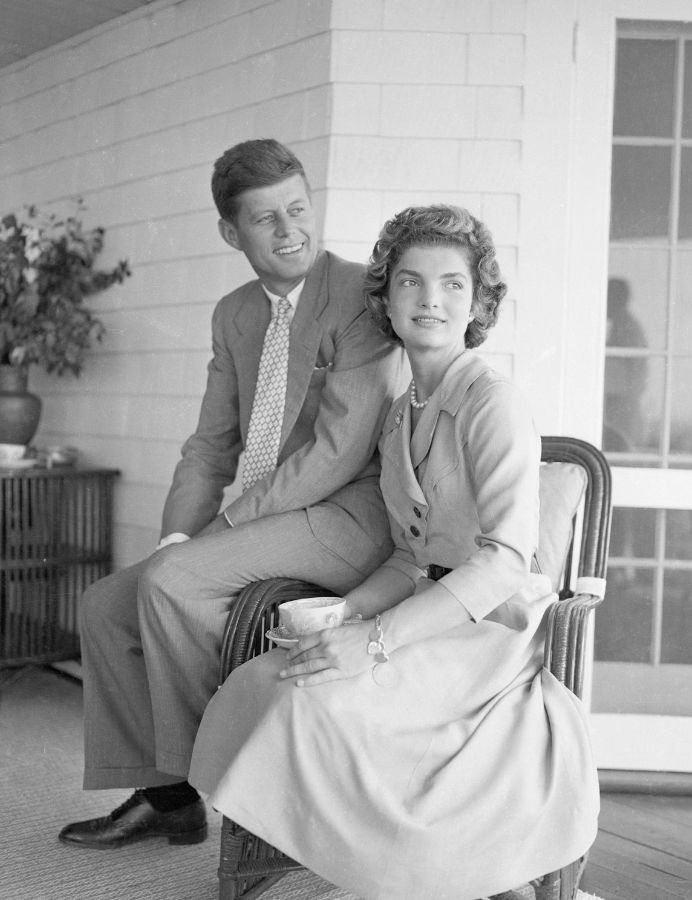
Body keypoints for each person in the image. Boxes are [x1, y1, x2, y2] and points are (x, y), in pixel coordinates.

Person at [188, 205, 600, 900]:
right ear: (384, 298)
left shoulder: (491, 402)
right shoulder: (403, 412)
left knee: (317, 702)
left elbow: (504, 561)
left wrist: (373, 641)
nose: (429, 300)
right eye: (409, 283)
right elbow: (412, 560)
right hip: (421, 611)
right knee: (269, 679)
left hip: (490, 632)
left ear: (478, 303)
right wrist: (344, 612)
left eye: (451, 285)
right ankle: (333, 854)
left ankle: (404, 870)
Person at [60, 139, 403, 849]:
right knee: (106, 604)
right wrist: (177, 537)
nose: (289, 231)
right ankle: (169, 797)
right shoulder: (235, 313)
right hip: (261, 514)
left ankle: (235, 787)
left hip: (347, 513)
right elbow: (210, 443)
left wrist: (217, 533)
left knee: (176, 584)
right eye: (265, 219)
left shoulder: (359, 299)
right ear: (231, 233)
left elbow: (336, 454)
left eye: (298, 209)